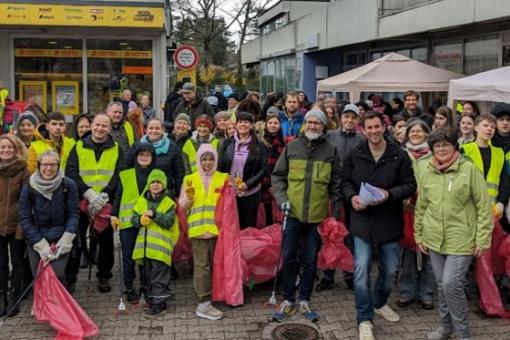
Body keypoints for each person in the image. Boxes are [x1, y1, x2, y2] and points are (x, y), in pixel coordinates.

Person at [341, 111, 416, 340]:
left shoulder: (398, 154)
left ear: (384, 127)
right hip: (362, 219)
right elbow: (345, 181)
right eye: (369, 127)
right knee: (362, 269)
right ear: (363, 130)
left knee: (390, 268)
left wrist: (389, 194)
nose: (373, 131)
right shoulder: (356, 153)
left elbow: (410, 185)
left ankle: (379, 302)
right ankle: (364, 318)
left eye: (377, 126)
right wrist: (351, 196)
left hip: (388, 218)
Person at [414, 128, 492, 340]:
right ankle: (445, 326)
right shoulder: (426, 170)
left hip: (462, 237)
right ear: (432, 149)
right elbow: (422, 205)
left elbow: (484, 207)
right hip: (433, 236)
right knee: (442, 285)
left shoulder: (468, 169)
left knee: (451, 284)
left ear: (454, 146)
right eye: (437, 145)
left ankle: (463, 333)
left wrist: (482, 238)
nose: (441, 149)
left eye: (446, 145)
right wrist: (418, 234)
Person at [271, 109, 341, 322]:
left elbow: (337, 185)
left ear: (323, 126)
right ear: (304, 124)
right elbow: (278, 177)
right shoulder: (292, 147)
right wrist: (282, 200)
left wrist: (334, 216)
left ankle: (304, 300)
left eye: (317, 123)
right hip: (292, 214)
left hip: (317, 217)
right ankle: (288, 300)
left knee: (311, 260)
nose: (312, 126)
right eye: (309, 122)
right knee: (289, 257)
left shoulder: (331, 150)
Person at [66, 113, 123, 293]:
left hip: (105, 203)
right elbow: (71, 172)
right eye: (97, 125)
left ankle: (104, 275)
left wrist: (105, 195)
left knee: (106, 242)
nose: (100, 129)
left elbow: (119, 174)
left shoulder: (117, 148)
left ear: (109, 128)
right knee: (76, 241)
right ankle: (71, 277)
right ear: (91, 126)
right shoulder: (78, 147)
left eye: (104, 126)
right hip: (82, 202)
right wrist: (89, 193)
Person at [318, 104, 364, 292]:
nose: (350, 120)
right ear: (341, 118)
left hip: (353, 192)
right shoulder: (330, 136)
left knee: (351, 236)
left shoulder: (362, 140)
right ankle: (327, 274)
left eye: (353, 117)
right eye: (346, 117)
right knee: (331, 233)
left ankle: (349, 274)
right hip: (333, 192)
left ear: (357, 120)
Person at [178, 144, 228, 320]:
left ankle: (216, 295)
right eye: (204, 159)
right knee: (202, 266)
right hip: (198, 230)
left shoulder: (224, 178)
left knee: (217, 265)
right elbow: (182, 205)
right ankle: (203, 303)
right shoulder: (189, 179)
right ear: (199, 160)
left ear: (215, 160)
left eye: (211, 158)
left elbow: (231, 202)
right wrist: (188, 199)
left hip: (218, 231)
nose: (207, 162)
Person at [19, 150, 80, 288]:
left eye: (53, 164)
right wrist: (40, 244)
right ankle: (44, 307)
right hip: (37, 238)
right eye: (45, 164)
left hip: (61, 238)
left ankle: (61, 305)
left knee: (57, 275)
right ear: (39, 166)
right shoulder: (29, 187)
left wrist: (65, 241)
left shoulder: (68, 184)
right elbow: (25, 218)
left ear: (58, 166)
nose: (49, 168)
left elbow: (73, 214)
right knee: (39, 276)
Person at [397, 119, 435, 310]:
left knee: (429, 253)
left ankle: (427, 293)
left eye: (420, 131)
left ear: (427, 134)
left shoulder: (434, 155)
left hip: (430, 210)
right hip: (408, 209)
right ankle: (406, 291)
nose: (416, 134)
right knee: (408, 254)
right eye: (412, 132)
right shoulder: (402, 155)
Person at [111, 143, 156, 304]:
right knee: (128, 257)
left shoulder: (156, 175)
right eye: (141, 154)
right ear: (136, 157)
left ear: (152, 158)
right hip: (128, 223)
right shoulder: (126, 174)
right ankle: (129, 287)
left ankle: (145, 285)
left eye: (148, 155)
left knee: (145, 256)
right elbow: (118, 195)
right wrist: (114, 215)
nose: (144, 157)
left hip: (147, 223)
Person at [132, 169, 180, 318]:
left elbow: (168, 222)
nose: (155, 185)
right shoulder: (141, 201)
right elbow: (133, 220)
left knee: (159, 277)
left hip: (160, 248)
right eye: (153, 182)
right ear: (148, 184)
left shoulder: (168, 203)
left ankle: (160, 305)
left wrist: (154, 215)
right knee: (147, 276)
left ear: (163, 185)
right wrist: (139, 220)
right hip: (145, 249)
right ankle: (152, 301)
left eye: (159, 182)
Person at [218, 112, 268, 229]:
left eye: (246, 122)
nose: (243, 125)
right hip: (230, 190)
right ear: (236, 124)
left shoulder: (259, 144)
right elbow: (220, 165)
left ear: (251, 125)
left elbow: (264, 168)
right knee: (231, 225)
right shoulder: (227, 143)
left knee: (248, 225)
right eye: (240, 122)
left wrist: (248, 184)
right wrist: (225, 181)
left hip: (251, 192)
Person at [0, 135, 30, 317]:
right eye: (2, 148)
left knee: (18, 262)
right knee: (1, 263)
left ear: (16, 149)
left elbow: (26, 202)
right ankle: (1, 294)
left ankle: (14, 294)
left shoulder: (24, 171)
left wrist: (21, 229)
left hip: (17, 225)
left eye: (9, 147)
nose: (5, 151)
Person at [461, 114, 509, 219]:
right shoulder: (464, 150)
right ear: (476, 127)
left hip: (492, 210)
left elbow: (505, 181)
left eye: (492, 127)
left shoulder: (500, 153)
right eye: (485, 125)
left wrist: (501, 203)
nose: (489, 129)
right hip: (467, 208)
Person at [128, 118, 185, 199]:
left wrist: (179, 195)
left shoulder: (173, 148)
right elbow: (127, 170)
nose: (154, 131)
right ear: (146, 130)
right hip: (139, 194)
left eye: (157, 128)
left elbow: (179, 174)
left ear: (163, 130)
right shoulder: (136, 147)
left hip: (164, 195)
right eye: (151, 128)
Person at [260, 113, 286, 225]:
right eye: (270, 123)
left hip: (278, 181)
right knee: (265, 212)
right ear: (266, 125)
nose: (273, 125)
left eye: (275, 123)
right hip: (263, 181)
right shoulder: (260, 142)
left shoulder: (284, 143)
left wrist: (275, 184)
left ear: (280, 125)